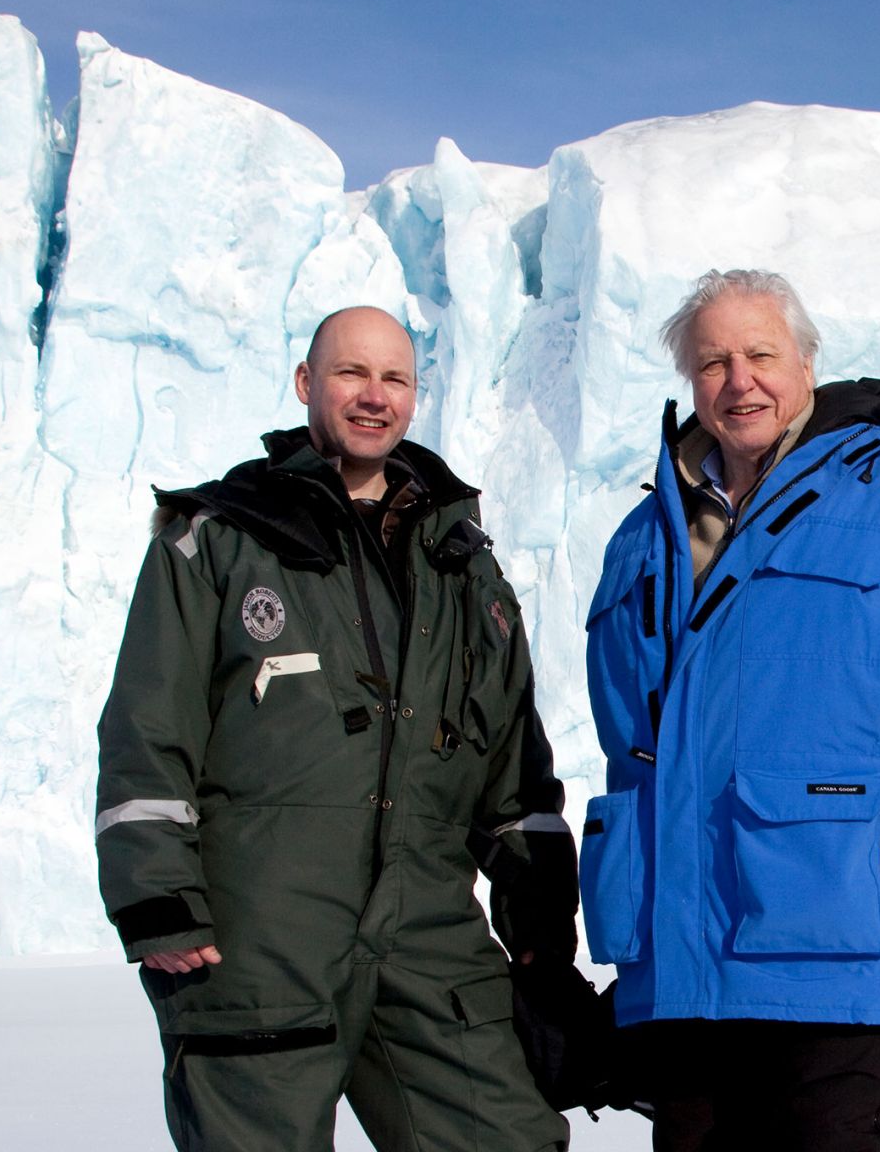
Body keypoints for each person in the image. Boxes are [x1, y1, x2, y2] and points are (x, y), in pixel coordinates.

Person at [581, 270, 880, 1151]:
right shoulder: (642, 535)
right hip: (689, 977)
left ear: (806, 362)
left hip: (840, 951)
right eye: (714, 361)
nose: (740, 379)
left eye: (761, 353)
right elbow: (637, 753)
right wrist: (645, 942)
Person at [95, 306, 576, 1152]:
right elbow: (148, 727)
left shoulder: (463, 562)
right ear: (307, 384)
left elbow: (512, 768)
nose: (373, 396)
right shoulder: (217, 539)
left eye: (395, 378)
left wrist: (537, 921)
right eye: (352, 374)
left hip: (427, 931)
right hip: (262, 936)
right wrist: (159, 902)